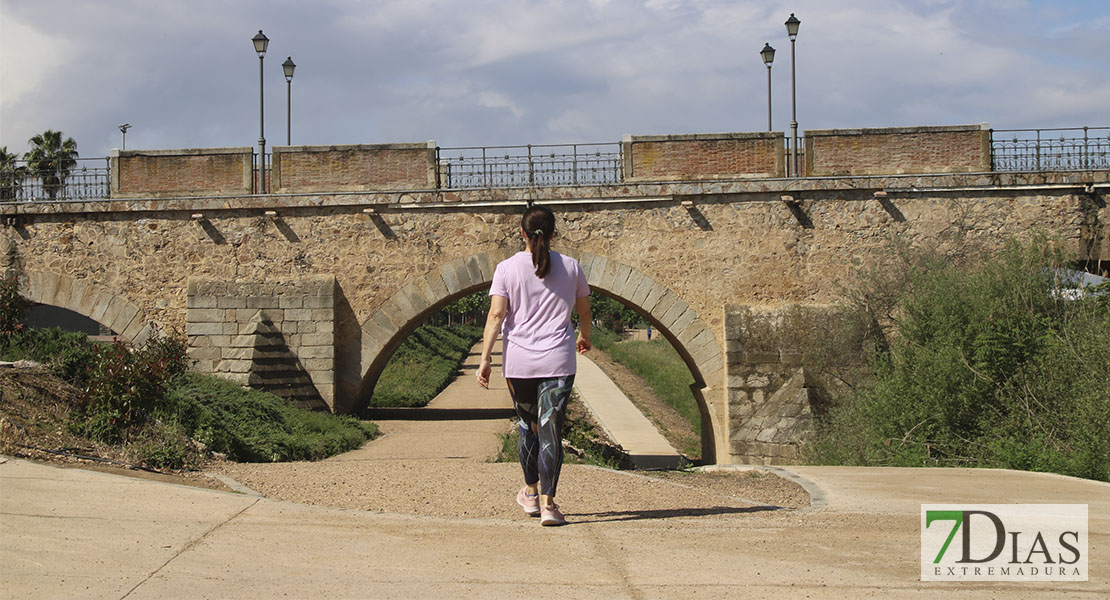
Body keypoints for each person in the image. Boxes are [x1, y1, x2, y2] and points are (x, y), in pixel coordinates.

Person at [476, 205, 592, 527]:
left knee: (528, 426)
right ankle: (548, 504)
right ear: (554, 233)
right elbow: (584, 310)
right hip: (558, 361)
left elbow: (496, 316)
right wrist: (585, 336)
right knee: (551, 428)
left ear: (522, 233)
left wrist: (485, 359)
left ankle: (529, 492)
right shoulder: (571, 267)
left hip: (519, 364)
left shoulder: (506, 269)